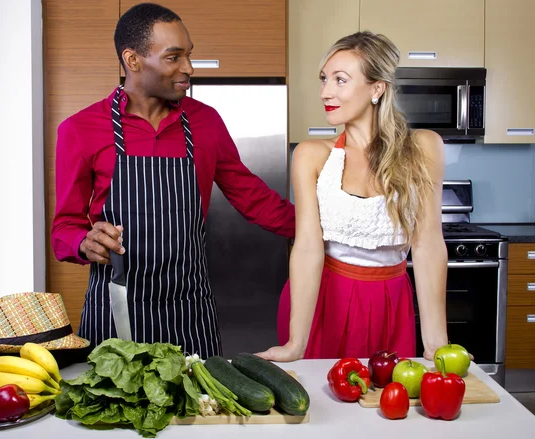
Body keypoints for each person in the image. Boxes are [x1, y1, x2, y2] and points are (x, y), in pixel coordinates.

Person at [51, 3, 295, 359]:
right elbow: (63, 229)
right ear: (133, 60)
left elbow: (253, 198)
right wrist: (84, 242)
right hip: (116, 312)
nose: (189, 68)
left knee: (199, 410)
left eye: (189, 55)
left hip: (190, 311)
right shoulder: (80, 130)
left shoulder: (206, 122)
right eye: (174, 57)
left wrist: (322, 231)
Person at [257, 31, 448, 362]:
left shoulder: (424, 147)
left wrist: (437, 344)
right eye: (324, 79)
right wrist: (295, 343)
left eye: (340, 80)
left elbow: (428, 245)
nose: (325, 92)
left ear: (376, 88)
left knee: (386, 404)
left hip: (391, 303)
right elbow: (306, 246)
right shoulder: (311, 155)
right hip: (325, 301)